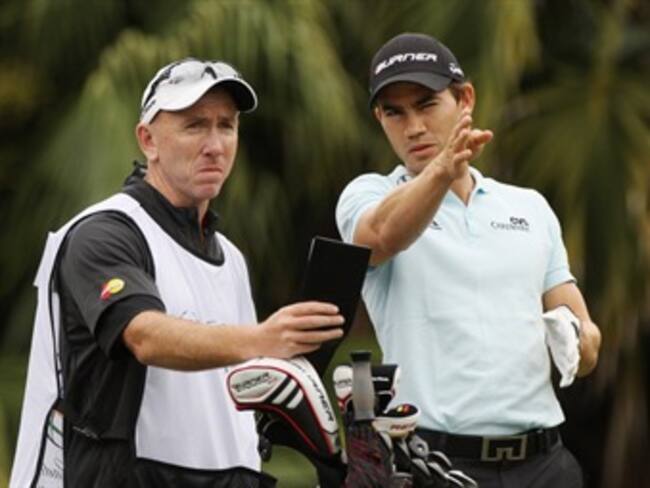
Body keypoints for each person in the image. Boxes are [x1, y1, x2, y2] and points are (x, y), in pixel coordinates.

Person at [10, 57, 345, 488]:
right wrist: (263, 339)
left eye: (226, 126)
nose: (215, 145)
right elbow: (145, 336)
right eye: (195, 125)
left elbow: (231, 396)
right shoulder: (104, 232)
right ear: (148, 140)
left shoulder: (231, 257)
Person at [335, 33, 602, 487]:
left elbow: (588, 339)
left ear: (465, 100)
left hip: (545, 465)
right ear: (379, 118)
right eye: (394, 112)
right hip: (435, 464)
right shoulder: (369, 195)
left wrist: (575, 338)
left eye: (427, 104)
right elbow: (380, 236)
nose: (413, 127)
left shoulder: (530, 207)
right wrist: (443, 168)